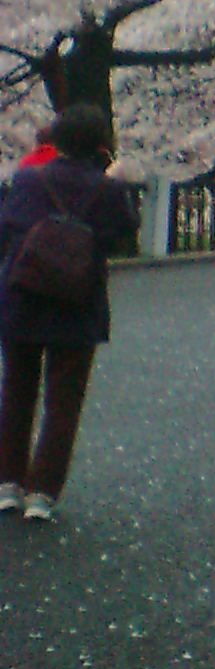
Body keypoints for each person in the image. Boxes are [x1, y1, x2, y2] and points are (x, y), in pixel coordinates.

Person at [0, 103, 139, 522]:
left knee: (16, 392)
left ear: (55, 139)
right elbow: (121, 237)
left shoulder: (27, 179)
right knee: (63, 401)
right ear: (101, 145)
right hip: (77, 302)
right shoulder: (109, 190)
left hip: (22, 296)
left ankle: (7, 485)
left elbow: (6, 226)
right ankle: (42, 493)